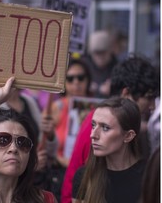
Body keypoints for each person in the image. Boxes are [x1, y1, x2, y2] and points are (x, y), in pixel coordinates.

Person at [60, 55, 159, 203]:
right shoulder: (98, 121)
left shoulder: (145, 173)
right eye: (148, 97)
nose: (152, 106)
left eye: (105, 128)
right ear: (126, 94)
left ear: (129, 136)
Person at [72, 97, 145, 203]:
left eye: (105, 128)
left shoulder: (149, 177)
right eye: (93, 125)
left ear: (128, 136)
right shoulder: (84, 176)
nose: (93, 135)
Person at [49, 59, 92, 168]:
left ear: (88, 80)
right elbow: (46, 142)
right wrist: (59, 159)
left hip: (88, 169)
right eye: (70, 78)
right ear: (64, 82)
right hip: (59, 168)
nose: (76, 82)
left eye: (80, 77)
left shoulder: (96, 108)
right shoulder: (56, 107)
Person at [82, 30, 118, 98]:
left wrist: (114, 88)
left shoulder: (118, 68)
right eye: (96, 53)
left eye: (103, 52)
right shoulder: (84, 65)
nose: (100, 57)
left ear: (110, 50)